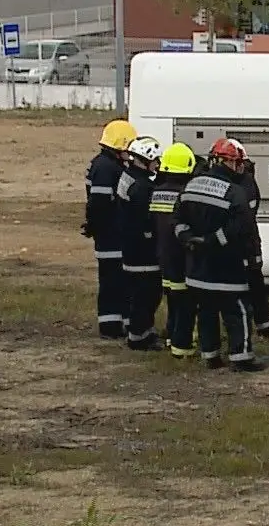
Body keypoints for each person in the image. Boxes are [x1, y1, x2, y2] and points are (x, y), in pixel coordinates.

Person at [174, 137, 263, 372]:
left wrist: (188, 239)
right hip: (227, 267)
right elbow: (241, 228)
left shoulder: (190, 185)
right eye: (239, 163)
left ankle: (211, 355)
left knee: (206, 312)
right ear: (230, 162)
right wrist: (214, 241)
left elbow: (178, 220)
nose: (241, 168)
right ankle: (241, 358)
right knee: (238, 312)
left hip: (197, 267)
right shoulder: (235, 192)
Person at [84, 118, 136, 339]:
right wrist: (95, 226)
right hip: (111, 236)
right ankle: (111, 326)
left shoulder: (104, 164)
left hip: (110, 234)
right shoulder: (107, 168)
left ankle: (120, 323)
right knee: (112, 282)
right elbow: (99, 204)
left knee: (117, 282)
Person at [115, 135, 164, 350]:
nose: (157, 164)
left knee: (139, 294)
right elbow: (147, 220)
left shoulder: (128, 177)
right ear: (145, 159)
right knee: (147, 294)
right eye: (155, 160)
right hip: (143, 252)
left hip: (130, 247)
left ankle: (143, 331)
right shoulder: (143, 188)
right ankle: (139, 337)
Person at [224, 155, 269, 340]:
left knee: (256, 281)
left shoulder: (247, 183)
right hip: (231, 242)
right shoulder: (226, 183)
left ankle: (265, 325)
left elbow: (248, 214)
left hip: (248, 241)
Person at [152, 142, 199, 358]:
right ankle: (182, 347)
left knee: (172, 298)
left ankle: (171, 335)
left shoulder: (156, 192)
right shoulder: (186, 194)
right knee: (185, 303)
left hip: (163, 255)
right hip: (182, 257)